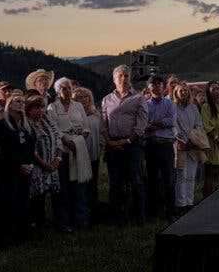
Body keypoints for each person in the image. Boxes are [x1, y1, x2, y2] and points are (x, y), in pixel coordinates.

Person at [101, 65, 148, 226]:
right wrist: (110, 142)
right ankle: (117, 216)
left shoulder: (139, 98)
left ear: (130, 78)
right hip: (113, 145)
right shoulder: (107, 99)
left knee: (136, 181)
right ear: (114, 79)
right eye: (120, 76)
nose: (123, 78)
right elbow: (104, 124)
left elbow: (141, 124)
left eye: (126, 76)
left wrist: (127, 141)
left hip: (132, 145)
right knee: (115, 183)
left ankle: (139, 216)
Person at [47, 77, 91, 229]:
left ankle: (81, 219)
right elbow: (53, 128)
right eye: (63, 88)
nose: (67, 91)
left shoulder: (78, 105)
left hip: (78, 149)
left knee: (79, 185)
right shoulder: (52, 108)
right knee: (63, 187)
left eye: (69, 88)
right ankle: (64, 222)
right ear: (57, 91)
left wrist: (79, 141)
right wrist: (66, 141)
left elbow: (86, 127)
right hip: (62, 151)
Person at [0, 90, 35, 245]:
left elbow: (31, 146)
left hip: (26, 169)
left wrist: (30, 163)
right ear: (9, 105)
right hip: (8, 170)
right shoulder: (3, 125)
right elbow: (4, 150)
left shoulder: (26, 124)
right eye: (17, 101)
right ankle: (5, 236)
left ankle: (22, 234)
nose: (21, 104)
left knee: (23, 201)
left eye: (23, 102)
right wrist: (18, 165)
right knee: (8, 202)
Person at [25, 93, 64, 231]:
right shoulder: (27, 124)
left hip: (53, 164)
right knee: (37, 197)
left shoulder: (47, 120)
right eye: (36, 108)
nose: (40, 110)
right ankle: (37, 225)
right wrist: (44, 164)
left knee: (56, 195)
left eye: (42, 107)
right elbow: (30, 149)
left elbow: (58, 139)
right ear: (28, 109)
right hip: (38, 166)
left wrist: (57, 159)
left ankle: (58, 223)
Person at [144, 75, 176, 221]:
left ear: (163, 87)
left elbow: (171, 121)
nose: (156, 87)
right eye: (153, 84)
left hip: (166, 144)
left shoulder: (170, 103)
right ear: (148, 87)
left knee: (168, 178)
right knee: (152, 179)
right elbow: (144, 124)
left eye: (159, 84)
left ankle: (170, 211)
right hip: (150, 145)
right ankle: (153, 211)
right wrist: (160, 123)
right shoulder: (145, 104)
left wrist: (155, 123)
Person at [173, 82, 205, 215]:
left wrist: (194, 139)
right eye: (181, 91)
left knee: (191, 175)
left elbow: (199, 124)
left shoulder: (193, 108)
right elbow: (173, 125)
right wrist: (181, 139)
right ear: (176, 93)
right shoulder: (173, 107)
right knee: (181, 175)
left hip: (193, 144)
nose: (184, 92)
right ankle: (180, 204)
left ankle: (189, 202)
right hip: (180, 145)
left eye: (186, 90)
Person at [71, 87, 103, 221]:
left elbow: (101, 133)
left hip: (94, 154)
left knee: (93, 185)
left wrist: (101, 145)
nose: (83, 100)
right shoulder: (73, 116)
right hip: (80, 156)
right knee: (81, 187)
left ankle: (94, 212)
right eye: (78, 98)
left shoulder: (96, 114)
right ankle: (82, 216)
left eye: (85, 97)